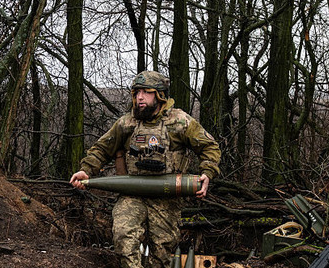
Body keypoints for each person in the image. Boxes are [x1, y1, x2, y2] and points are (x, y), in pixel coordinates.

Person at [70, 70, 221, 268]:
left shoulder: (180, 122)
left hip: (167, 196)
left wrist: (207, 172)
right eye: (136, 93)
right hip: (132, 193)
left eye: (146, 92)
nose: (139, 97)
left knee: (162, 254)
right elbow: (102, 149)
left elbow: (209, 147)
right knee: (124, 238)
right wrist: (86, 170)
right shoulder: (126, 123)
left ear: (159, 95)